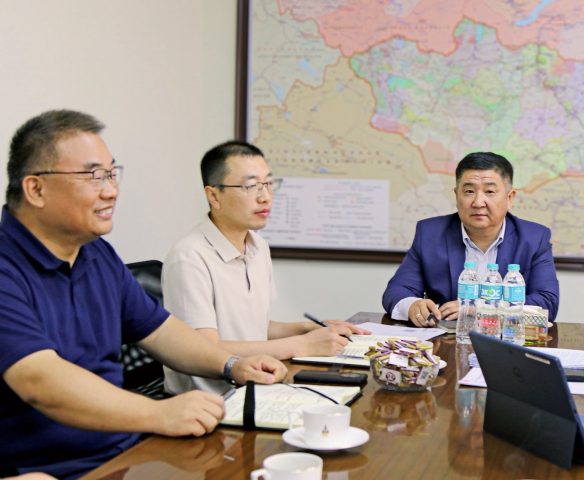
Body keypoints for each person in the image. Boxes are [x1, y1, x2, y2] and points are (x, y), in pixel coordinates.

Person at [0, 110, 287, 479]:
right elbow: (39, 380)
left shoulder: (96, 254)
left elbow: (162, 331)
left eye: (112, 174)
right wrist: (158, 413)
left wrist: (231, 365)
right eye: (94, 176)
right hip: (41, 469)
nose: (111, 190)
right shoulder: (6, 266)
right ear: (36, 189)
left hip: (121, 452)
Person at [162, 140, 369, 394]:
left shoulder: (258, 246)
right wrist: (302, 344)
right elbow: (204, 348)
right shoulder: (189, 257)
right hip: (212, 401)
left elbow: (256, 327)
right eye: (250, 186)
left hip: (259, 386)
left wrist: (307, 328)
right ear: (214, 196)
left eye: (268, 184)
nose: (265, 197)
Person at [382, 151, 559, 327]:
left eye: (489, 191)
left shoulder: (534, 238)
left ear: (509, 197)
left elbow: (547, 302)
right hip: (447, 339)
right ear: (456, 195)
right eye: (469, 191)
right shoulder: (430, 233)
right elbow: (397, 291)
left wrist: (479, 308)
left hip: (507, 339)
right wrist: (412, 305)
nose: (478, 202)